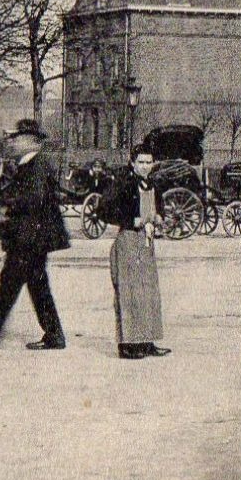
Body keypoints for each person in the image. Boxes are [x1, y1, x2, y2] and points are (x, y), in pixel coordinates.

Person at [0, 120, 71, 350]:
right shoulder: (29, 164)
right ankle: (54, 335)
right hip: (31, 238)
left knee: (10, 284)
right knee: (36, 285)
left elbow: (33, 201)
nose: (13, 142)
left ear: (31, 141)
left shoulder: (37, 165)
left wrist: (9, 204)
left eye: (19, 138)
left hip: (29, 240)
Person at [98, 150, 170, 360]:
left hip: (146, 243)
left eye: (149, 162)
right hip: (128, 241)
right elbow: (103, 210)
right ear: (132, 163)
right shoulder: (123, 183)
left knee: (148, 292)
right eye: (141, 162)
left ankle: (147, 341)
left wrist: (158, 216)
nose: (145, 166)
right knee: (129, 293)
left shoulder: (154, 184)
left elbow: (160, 208)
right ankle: (127, 344)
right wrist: (131, 220)